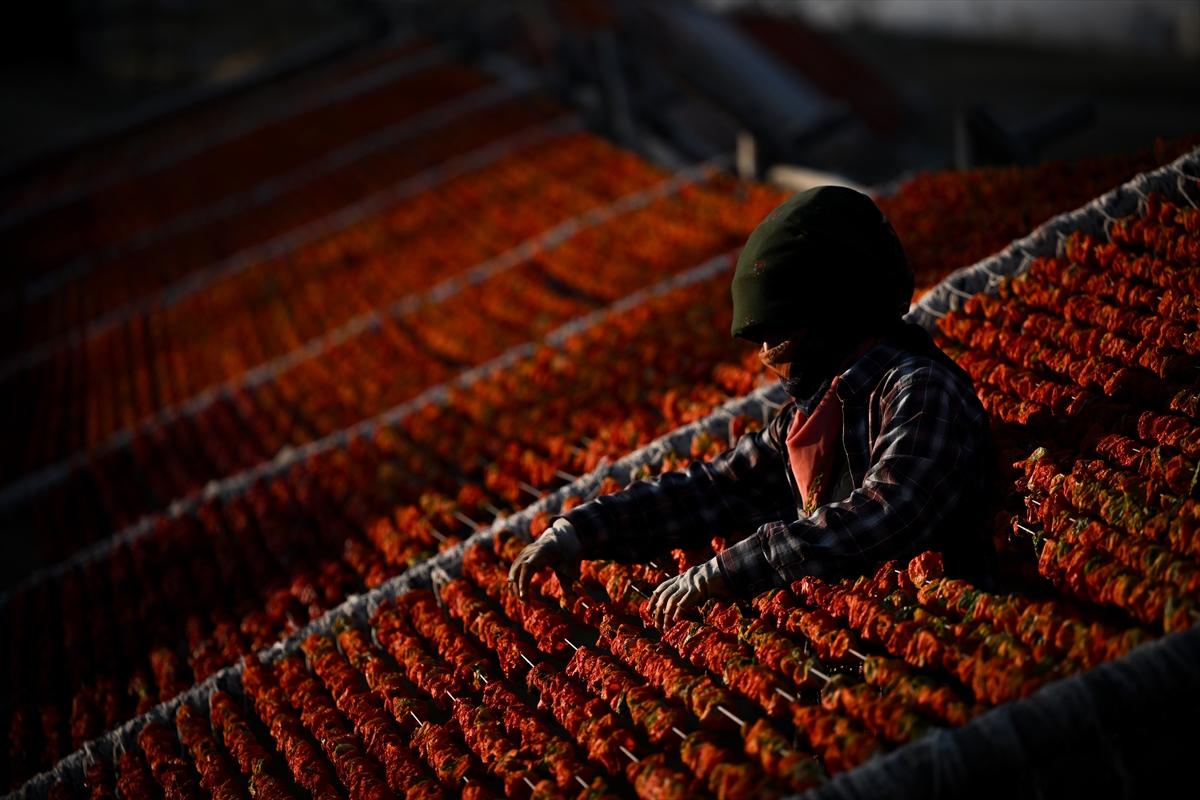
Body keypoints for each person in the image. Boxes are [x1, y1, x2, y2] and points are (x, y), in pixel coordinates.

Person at [508, 185, 993, 626]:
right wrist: (581, 530)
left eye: (779, 335)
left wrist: (729, 570)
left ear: (834, 311)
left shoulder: (918, 390)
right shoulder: (815, 412)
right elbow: (716, 489)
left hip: (952, 633)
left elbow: (886, 515)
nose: (768, 355)